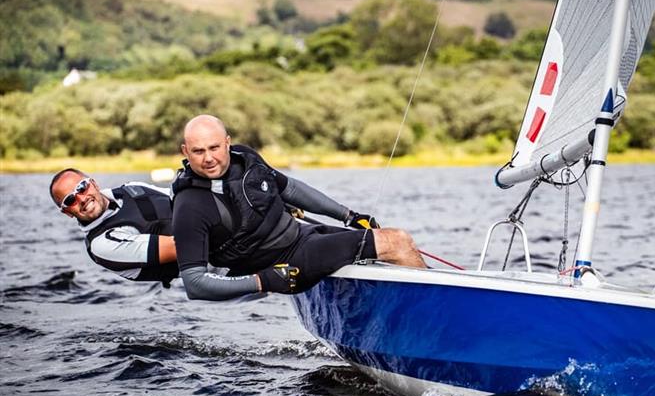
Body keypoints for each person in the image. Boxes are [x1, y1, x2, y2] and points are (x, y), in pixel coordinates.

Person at [171, 114, 426, 300]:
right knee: (397, 242)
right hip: (287, 264)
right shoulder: (190, 206)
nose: (208, 158)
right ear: (185, 151)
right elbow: (195, 284)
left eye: (214, 147)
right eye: (198, 151)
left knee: (384, 245)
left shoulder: (245, 158)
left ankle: (409, 311)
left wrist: (348, 216)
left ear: (227, 142)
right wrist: (262, 281)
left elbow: (289, 188)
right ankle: (435, 321)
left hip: (302, 236)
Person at [49, 169, 178, 285]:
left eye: (82, 187)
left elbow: (179, 195)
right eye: (70, 200)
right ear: (67, 213)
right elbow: (179, 248)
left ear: (94, 183)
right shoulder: (101, 244)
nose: (82, 199)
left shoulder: (131, 188)